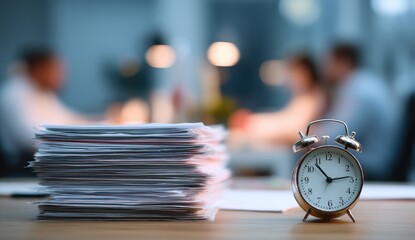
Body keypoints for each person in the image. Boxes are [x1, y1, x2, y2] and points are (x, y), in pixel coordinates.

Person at [0, 48, 96, 176]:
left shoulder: (44, 93)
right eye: (55, 70)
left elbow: (68, 119)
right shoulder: (14, 93)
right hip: (24, 168)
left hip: (47, 159)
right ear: (38, 69)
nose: (61, 76)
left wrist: (101, 122)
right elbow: (31, 139)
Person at [321, 43, 399, 181]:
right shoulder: (365, 83)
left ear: (343, 62)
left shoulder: (358, 90)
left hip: (372, 168)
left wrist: (308, 137)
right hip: (379, 160)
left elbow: (336, 136)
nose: (325, 69)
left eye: (329, 63)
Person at [229, 54, 326, 146]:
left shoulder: (314, 97)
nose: (293, 79)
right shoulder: (302, 97)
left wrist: (252, 123)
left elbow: (295, 129)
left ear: (308, 73)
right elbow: (286, 119)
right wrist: (254, 119)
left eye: (296, 74)